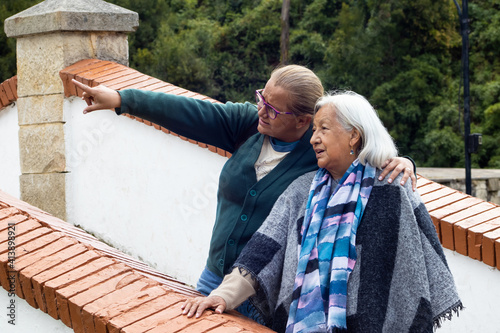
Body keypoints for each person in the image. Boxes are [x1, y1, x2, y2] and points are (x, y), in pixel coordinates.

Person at [71, 67, 416, 320]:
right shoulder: (249, 126)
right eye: (261, 99)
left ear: (303, 121)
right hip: (214, 278)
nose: (261, 110)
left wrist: (403, 162)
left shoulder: (319, 153)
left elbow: (367, 160)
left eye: (273, 108)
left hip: (264, 295)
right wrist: (122, 100)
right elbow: (191, 113)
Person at [182, 91, 462, 332]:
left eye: (323, 129)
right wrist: (222, 296)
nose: (313, 138)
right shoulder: (301, 191)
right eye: (314, 129)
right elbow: (261, 253)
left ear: (354, 136)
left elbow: (416, 271)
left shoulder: (392, 192)